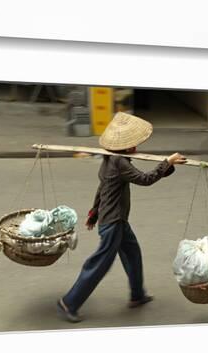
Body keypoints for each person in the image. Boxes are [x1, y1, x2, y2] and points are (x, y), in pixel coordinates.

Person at [56, 112, 187, 323]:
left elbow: (102, 189)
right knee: (99, 264)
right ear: (127, 145)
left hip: (117, 220)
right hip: (113, 223)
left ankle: (137, 295)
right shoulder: (119, 162)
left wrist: (93, 213)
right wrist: (167, 162)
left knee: (133, 254)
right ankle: (69, 302)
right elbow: (145, 179)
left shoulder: (110, 158)